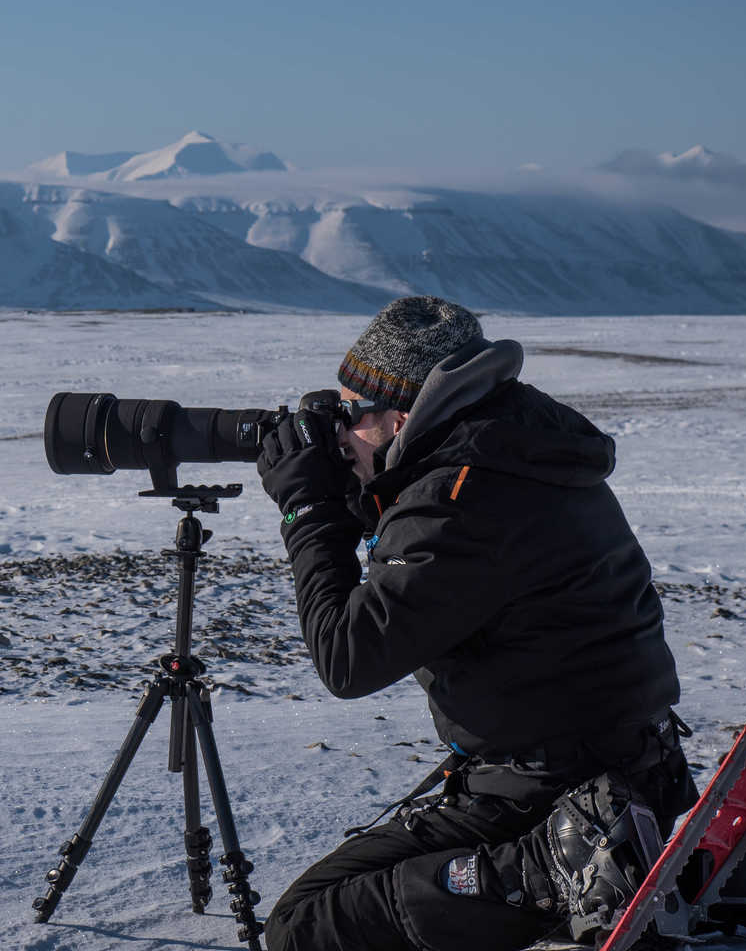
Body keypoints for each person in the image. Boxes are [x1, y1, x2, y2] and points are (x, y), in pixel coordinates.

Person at [254, 296, 696, 951]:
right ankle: (676, 866)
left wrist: (306, 511)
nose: (341, 431)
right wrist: (355, 493)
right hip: (628, 761)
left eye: (352, 413)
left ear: (404, 414)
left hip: (549, 784)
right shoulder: (514, 451)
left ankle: (558, 870)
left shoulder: (458, 496)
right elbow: (444, 573)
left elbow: (349, 659)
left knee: (304, 925)